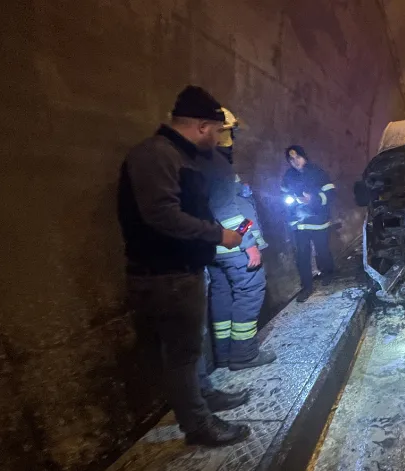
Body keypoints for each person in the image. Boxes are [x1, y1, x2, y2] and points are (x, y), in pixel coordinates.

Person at [117, 86, 251, 447]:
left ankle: (203, 397)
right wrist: (217, 235)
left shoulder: (182, 156)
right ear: (204, 126)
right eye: (219, 132)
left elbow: (208, 191)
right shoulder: (156, 155)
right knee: (181, 354)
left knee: (192, 346)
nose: (221, 140)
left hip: (184, 270)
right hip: (164, 274)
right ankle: (197, 426)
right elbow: (162, 215)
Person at [200, 107, 277, 370]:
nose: (232, 139)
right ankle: (244, 354)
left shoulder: (196, 163)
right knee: (249, 291)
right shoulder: (217, 164)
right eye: (230, 133)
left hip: (212, 248)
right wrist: (250, 244)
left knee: (222, 294)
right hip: (234, 247)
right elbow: (229, 213)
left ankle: (223, 354)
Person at [282, 145, 336, 302]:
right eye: (291, 159)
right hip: (299, 223)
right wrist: (289, 204)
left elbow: (330, 194)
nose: (295, 162)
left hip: (318, 221)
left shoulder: (318, 172)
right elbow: (283, 195)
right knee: (302, 255)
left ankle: (328, 273)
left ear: (304, 157)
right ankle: (307, 286)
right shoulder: (288, 176)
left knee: (322, 250)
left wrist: (312, 200)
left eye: (298, 157)